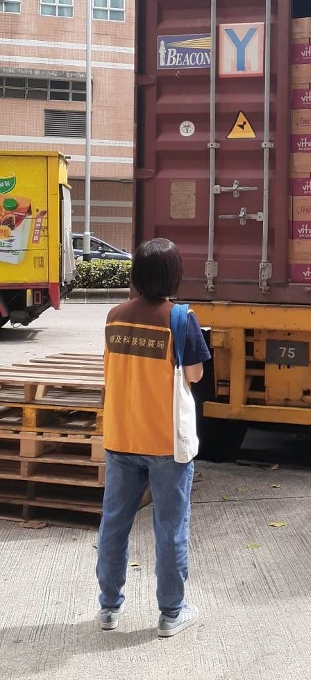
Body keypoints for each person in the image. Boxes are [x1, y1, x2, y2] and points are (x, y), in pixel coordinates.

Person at [96, 238, 211, 636]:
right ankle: (171, 613)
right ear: (174, 275)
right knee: (170, 527)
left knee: (114, 523)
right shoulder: (180, 318)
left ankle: (108, 608)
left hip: (121, 436)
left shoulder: (114, 316)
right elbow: (194, 374)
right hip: (165, 441)